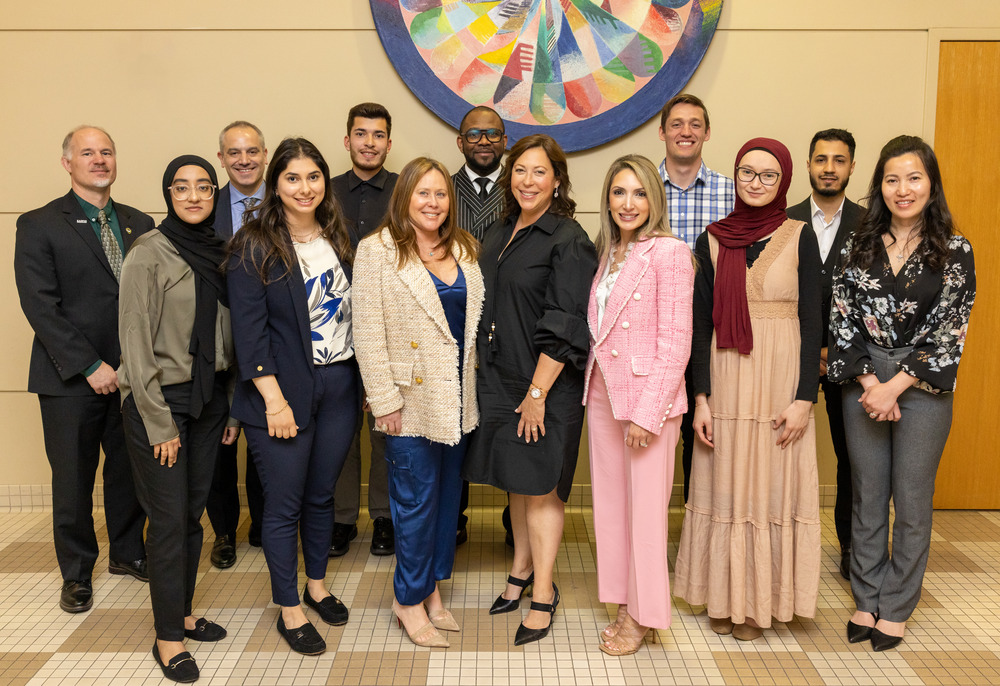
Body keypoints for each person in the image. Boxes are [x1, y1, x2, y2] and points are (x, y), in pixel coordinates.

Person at [829, 135, 975, 652]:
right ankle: (866, 598)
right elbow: (841, 320)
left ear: (931, 184)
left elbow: (949, 330)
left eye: (913, 178)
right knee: (868, 495)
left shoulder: (955, 250)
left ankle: (896, 606)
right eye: (892, 179)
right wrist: (871, 383)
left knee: (911, 500)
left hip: (921, 385)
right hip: (863, 382)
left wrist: (894, 386)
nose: (902, 189)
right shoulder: (857, 245)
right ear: (879, 186)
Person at [673, 137, 823, 642]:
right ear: (734, 177)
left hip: (781, 382)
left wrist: (805, 398)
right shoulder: (711, 238)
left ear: (784, 180)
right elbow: (698, 325)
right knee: (724, 486)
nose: (755, 183)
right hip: (726, 378)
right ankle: (724, 596)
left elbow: (813, 321)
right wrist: (701, 398)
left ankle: (762, 605)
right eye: (746, 173)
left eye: (768, 175)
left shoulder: (801, 235)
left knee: (772, 488)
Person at [463, 134, 598, 646]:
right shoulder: (499, 232)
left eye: (539, 172)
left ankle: (543, 592)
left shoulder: (568, 238)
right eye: (520, 171)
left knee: (541, 489)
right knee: (517, 484)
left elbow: (567, 321)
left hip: (544, 384)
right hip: (501, 379)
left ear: (557, 180)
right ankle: (519, 572)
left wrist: (538, 392)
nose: (527, 180)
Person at [228, 137, 359, 656]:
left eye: (313, 177)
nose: (304, 188)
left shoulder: (338, 235)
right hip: (279, 393)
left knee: (321, 495)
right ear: (275, 184)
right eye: (292, 178)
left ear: (324, 181)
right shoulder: (253, 244)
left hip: (340, 386)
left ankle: (318, 585)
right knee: (282, 508)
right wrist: (273, 401)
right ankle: (289, 607)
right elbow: (249, 332)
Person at [14, 125, 150, 614]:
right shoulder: (39, 223)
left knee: (129, 470)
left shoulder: (138, 222)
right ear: (67, 163)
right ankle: (76, 574)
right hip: (70, 378)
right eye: (87, 153)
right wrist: (90, 365)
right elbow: (40, 305)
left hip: (131, 376)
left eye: (107, 152)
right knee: (72, 479)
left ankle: (129, 552)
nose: (99, 160)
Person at [353, 157, 484, 648]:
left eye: (441, 194)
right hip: (406, 401)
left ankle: (430, 589)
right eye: (423, 193)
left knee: (447, 502)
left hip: (455, 397)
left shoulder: (463, 247)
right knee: (413, 504)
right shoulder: (377, 251)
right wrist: (383, 398)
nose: (433, 203)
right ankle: (407, 601)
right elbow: (366, 333)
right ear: (404, 195)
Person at [118, 155, 237, 683]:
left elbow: (228, 334)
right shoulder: (148, 254)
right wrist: (158, 423)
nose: (193, 196)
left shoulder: (219, 252)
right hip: (159, 403)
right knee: (167, 524)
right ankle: (168, 638)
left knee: (191, 515)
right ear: (167, 193)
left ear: (215, 195)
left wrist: (229, 405)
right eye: (182, 187)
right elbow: (135, 347)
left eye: (204, 188)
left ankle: (183, 613)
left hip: (209, 402)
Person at [584, 155, 694, 655]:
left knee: (646, 515)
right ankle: (624, 599)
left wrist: (648, 416)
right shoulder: (611, 251)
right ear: (608, 199)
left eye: (639, 193)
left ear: (655, 199)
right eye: (619, 192)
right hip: (604, 393)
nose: (628, 203)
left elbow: (676, 342)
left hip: (647, 401)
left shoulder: (668, 252)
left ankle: (643, 615)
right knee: (611, 509)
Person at [786, 128, 862, 580]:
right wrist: (807, 348)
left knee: (853, 456)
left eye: (838, 160)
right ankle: (784, 542)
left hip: (849, 359)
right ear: (809, 164)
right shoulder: (785, 219)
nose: (829, 168)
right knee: (780, 445)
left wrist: (836, 348)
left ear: (852, 166)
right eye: (821, 159)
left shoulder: (872, 224)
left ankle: (851, 548)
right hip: (793, 355)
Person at [657, 94, 735, 503]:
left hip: (711, 330)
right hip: (653, 336)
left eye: (694, 124)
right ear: (662, 132)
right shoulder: (640, 191)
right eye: (677, 124)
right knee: (652, 431)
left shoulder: (732, 193)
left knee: (703, 434)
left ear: (707, 132)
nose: (685, 132)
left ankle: (696, 533)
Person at [330, 102, 399, 557]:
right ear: (347, 139)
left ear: (389, 143)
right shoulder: (325, 189)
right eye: (361, 134)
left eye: (378, 135)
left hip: (390, 327)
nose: (369, 142)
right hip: (331, 328)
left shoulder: (403, 191)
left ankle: (384, 517)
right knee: (339, 426)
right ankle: (339, 518)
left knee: (386, 423)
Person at [206, 120, 269, 569]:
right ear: (221, 158)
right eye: (234, 152)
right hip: (217, 341)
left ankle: (264, 525)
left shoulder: (288, 202)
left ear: (265, 154)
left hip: (270, 337)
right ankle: (225, 531)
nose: (243, 159)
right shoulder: (204, 207)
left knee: (268, 437)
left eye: (251, 151)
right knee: (219, 443)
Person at [451, 105, 508, 546]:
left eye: (493, 133)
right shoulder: (441, 192)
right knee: (456, 425)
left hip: (510, 325)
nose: (484, 141)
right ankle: (453, 519)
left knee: (509, 421)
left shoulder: (524, 188)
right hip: (454, 325)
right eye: (475, 134)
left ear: (504, 141)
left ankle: (515, 521)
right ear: (460, 142)